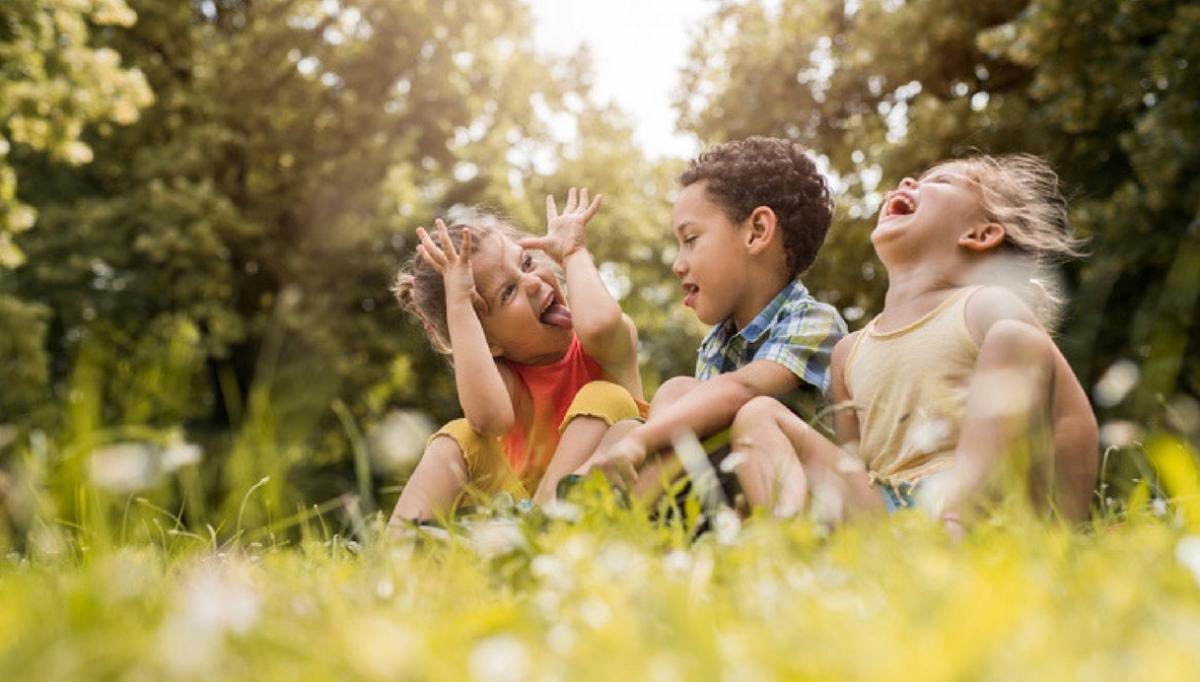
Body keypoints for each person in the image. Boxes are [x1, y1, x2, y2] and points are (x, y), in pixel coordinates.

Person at [725, 153, 1099, 525]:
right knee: (757, 415)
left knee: (1014, 337)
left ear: (980, 234)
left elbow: (1070, 420)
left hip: (983, 509)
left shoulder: (986, 307)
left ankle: (959, 529)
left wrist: (1067, 524)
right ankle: (788, 539)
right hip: (888, 517)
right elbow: (854, 465)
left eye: (938, 182)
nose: (907, 183)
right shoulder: (849, 352)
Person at [572, 137, 847, 512]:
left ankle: (595, 512)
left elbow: (742, 388)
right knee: (668, 397)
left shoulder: (814, 322)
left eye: (691, 240)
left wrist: (640, 443)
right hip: (731, 496)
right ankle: (600, 509)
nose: (678, 264)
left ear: (756, 231)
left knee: (679, 407)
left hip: (816, 499)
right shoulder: (718, 343)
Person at [387, 189, 646, 525]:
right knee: (459, 436)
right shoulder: (505, 383)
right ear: (488, 341)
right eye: (507, 292)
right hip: (519, 521)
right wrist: (460, 305)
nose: (533, 283)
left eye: (526, 262)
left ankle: (541, 528)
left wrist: (574, 251)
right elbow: (488, 421)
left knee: (605, 395)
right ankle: (399, 551)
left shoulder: (604, 350)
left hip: (610, 500)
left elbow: (598, 325)